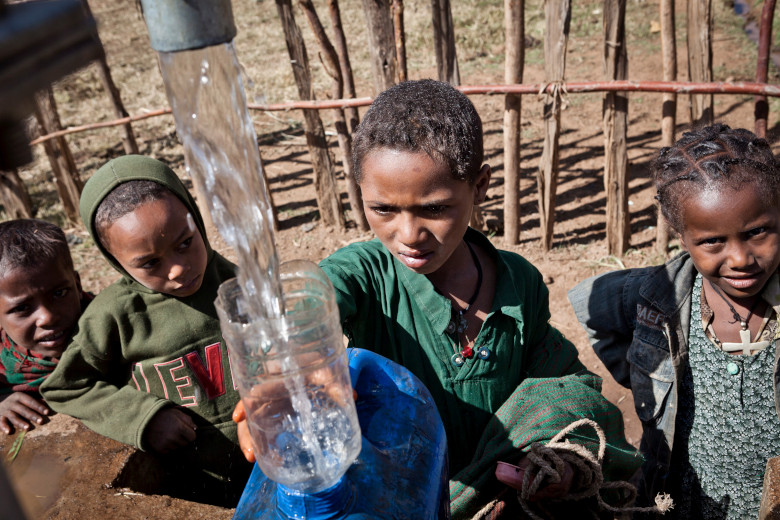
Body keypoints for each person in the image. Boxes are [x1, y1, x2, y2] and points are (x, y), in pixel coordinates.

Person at [234, 79, 641, 518]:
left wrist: (557, 459)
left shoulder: (518, 283)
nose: (408, 235)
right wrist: (290, 358)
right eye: (383, 209)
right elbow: (320, 292)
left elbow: (559, 387)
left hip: (501, 503)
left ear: (480, 186)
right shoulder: (369, 273)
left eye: (434, 209)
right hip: (398, 502)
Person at [569, 123, 780, 518]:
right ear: (683, 238)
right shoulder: (659, 293)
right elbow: (590, 304)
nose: (740, 258)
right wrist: (642, 375)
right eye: (712, 241)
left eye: (757, 232)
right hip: (679, 503)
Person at [40, 155, 251, 507]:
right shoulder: (114, 315)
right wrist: (144, 417)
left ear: (196, 220)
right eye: (151, 263)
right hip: (189, 487)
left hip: (263, 464)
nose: (178, 269)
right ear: (116, 261)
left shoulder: (239, 283)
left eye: (186, 242)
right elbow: (67, 386)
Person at [0, 219, 92, 435]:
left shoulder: (111, 324)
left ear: (77, 285)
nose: (47, 318)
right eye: (22, 307)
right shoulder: (4, 357)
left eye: (59, 293)